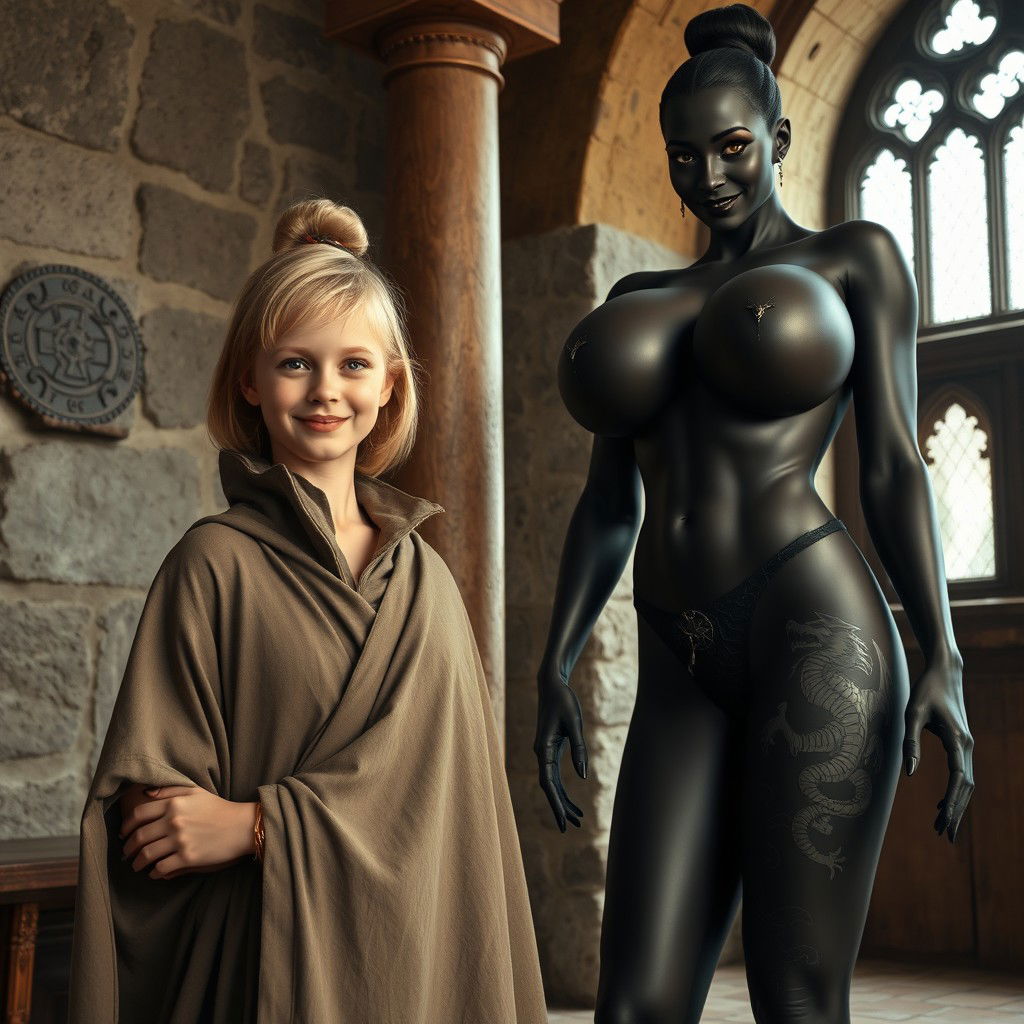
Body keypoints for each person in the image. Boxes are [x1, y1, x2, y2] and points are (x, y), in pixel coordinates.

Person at [532, 5, 974, 1023]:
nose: (708, 177)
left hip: (814, 628)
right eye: (683, 157)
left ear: (776, 140)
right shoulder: (644, 290)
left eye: (733, 148)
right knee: (635, 1004)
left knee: (796, 997)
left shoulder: (853, 259)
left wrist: (940, 648)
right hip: (675, 654)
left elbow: (894, 467)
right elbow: (609, 501)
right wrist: (553, 658)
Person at [69, 199, 548, 1023]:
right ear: (250, 380)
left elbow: (455, 814)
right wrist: (207, 825)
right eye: (296, 363)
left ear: (390, 381)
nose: (327, 390)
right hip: (266, 966)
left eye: (354, 365)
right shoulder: (211, 565)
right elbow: (154, 820)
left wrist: (262, 826)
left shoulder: (428, 584)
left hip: (420, 968)